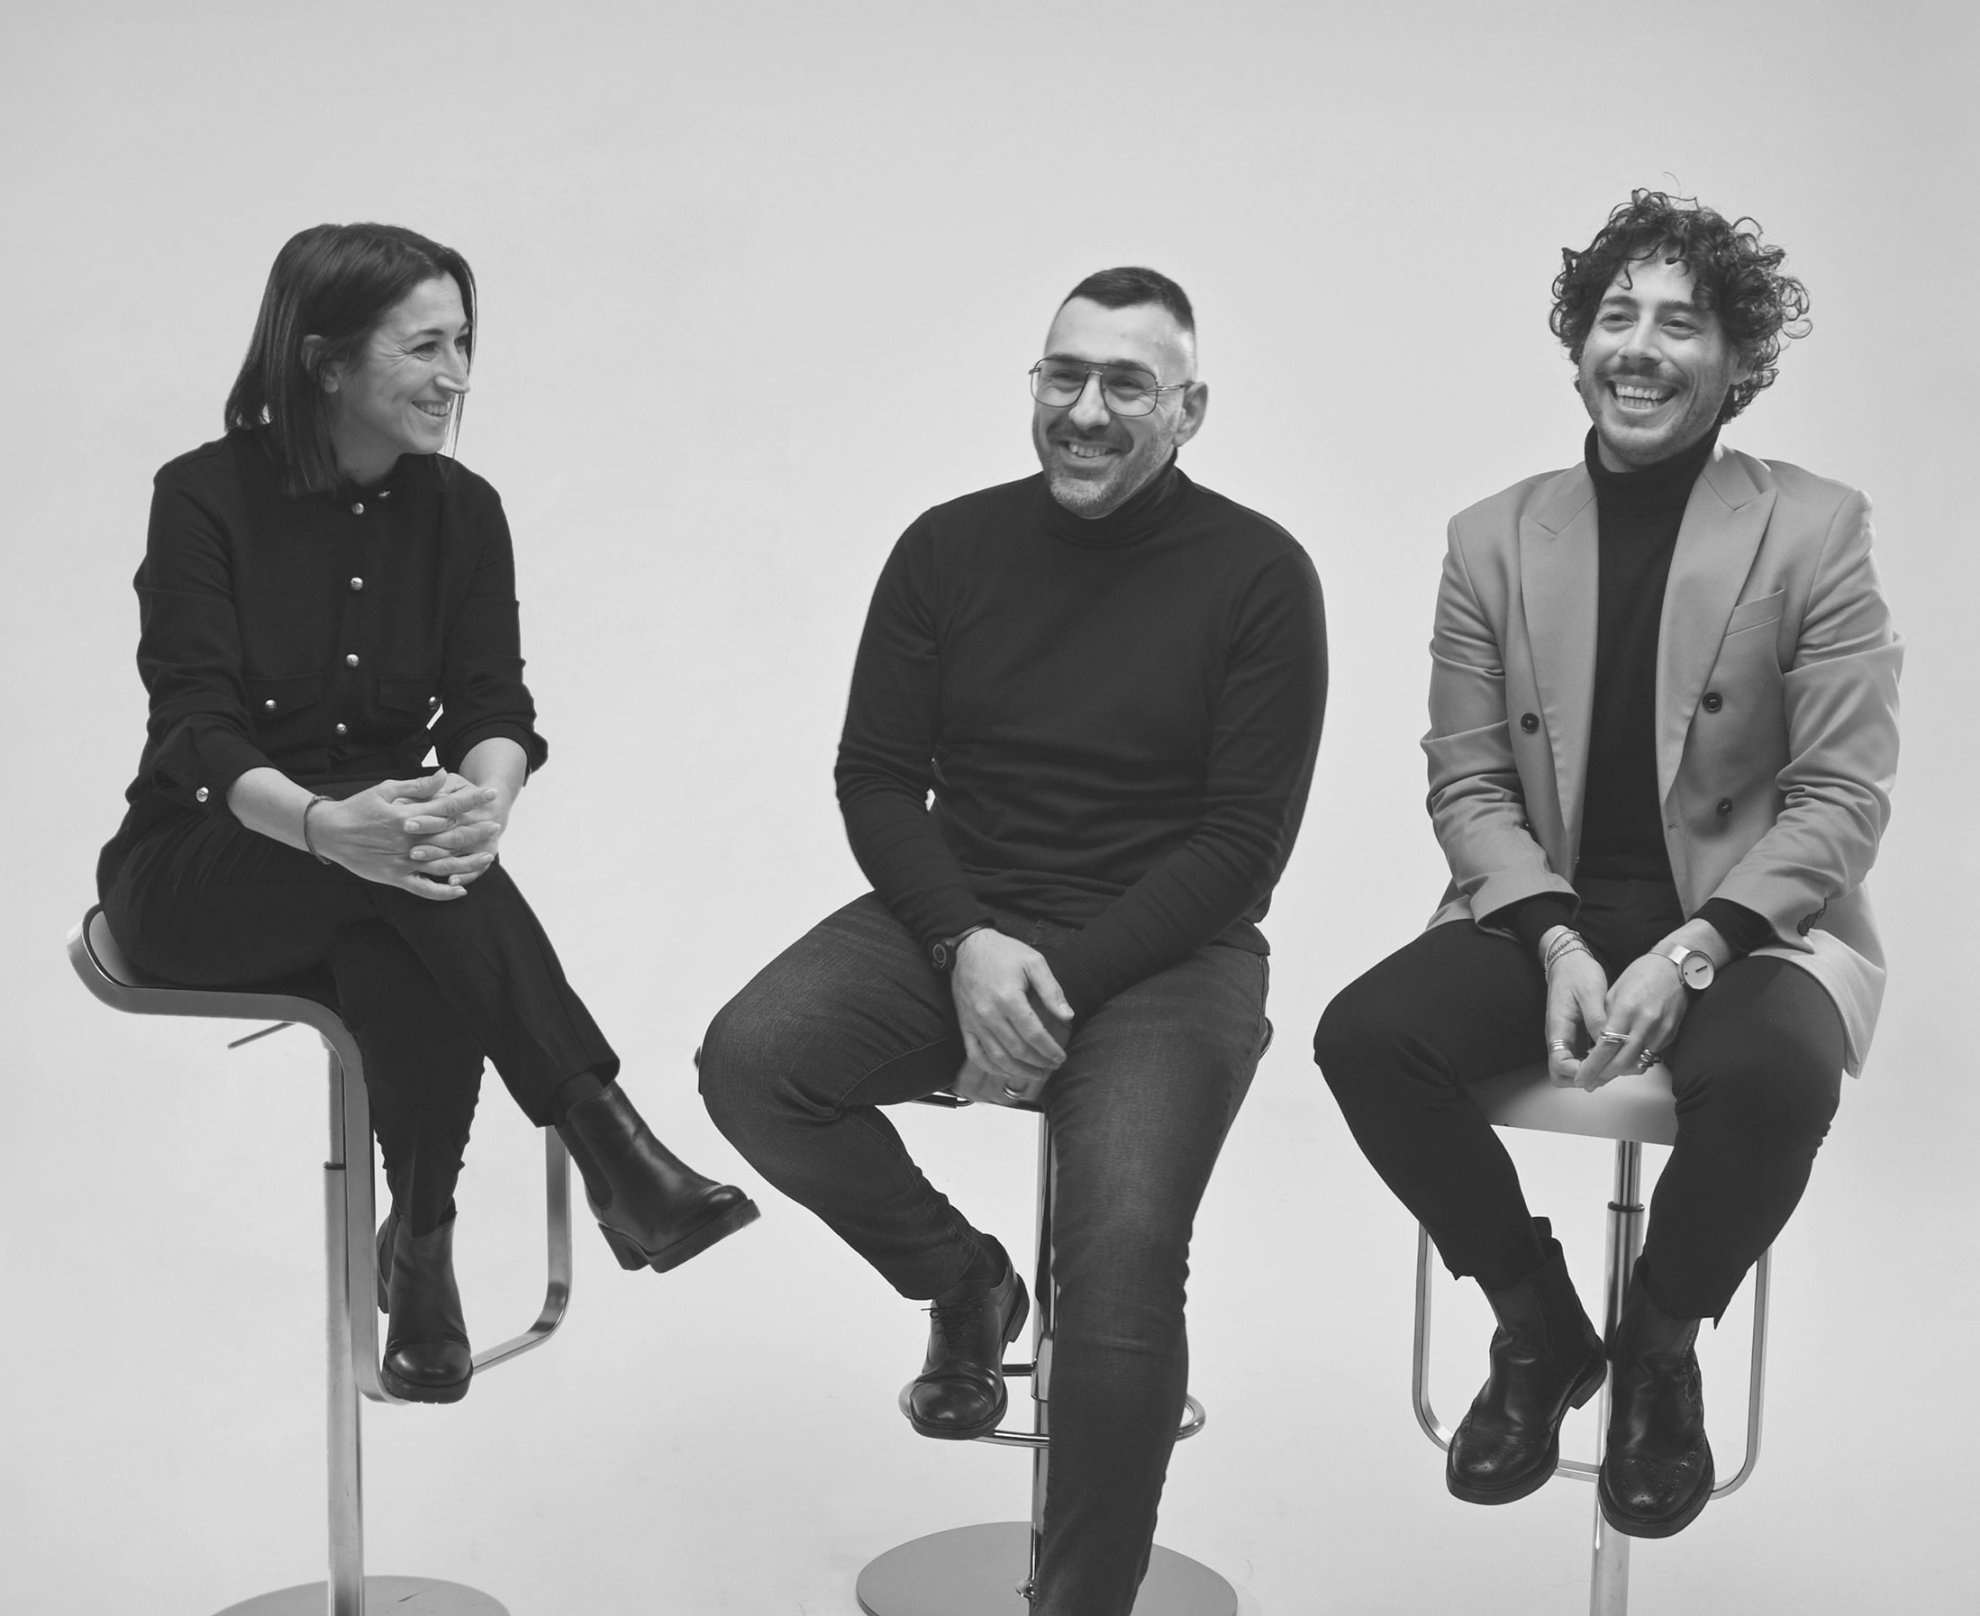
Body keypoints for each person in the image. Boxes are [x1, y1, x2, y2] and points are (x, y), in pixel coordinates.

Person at [697, 267, 1326, 1614]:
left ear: (1189, 410)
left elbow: (1241, 846)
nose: (1085, 411)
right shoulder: (948, 547)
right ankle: (965, 1281)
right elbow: (877, 777)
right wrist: (967, 946)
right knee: (754, 1058)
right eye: (1063, 375)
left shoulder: (1262, 575)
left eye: (1126, 385)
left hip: (1173, 955)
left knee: (1121, 1255)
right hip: (965, 916)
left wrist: (1049, 992)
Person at [1314, 191, 1901, 1538]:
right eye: (1616, 316)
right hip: (1551, 905)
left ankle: (1659, 1345)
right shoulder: (1491, 537)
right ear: (1579, 344)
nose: (1639, 347)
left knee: (1776, 1071)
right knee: (1367, 1038)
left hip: (1751, 913)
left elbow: (1842, 792)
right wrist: (1559, 938)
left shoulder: (1816, 527)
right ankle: (1538, 1325)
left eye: (1681, 322)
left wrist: (1696, 949)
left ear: (1736, 362)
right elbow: (1467, 779)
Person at [97, 222, 757, 1406]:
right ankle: (607, 1149)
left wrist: (483, 802)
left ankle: (423, 1247)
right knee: (408, 867)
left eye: (464, 343)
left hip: (392, 869)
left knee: (412, 898)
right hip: (204, 867)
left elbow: (495, 703)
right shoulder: (201, 495)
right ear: (324, 360)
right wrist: (321, 825)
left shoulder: (464, 509)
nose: (456, 375)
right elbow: (194, 726)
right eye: (424, 347)